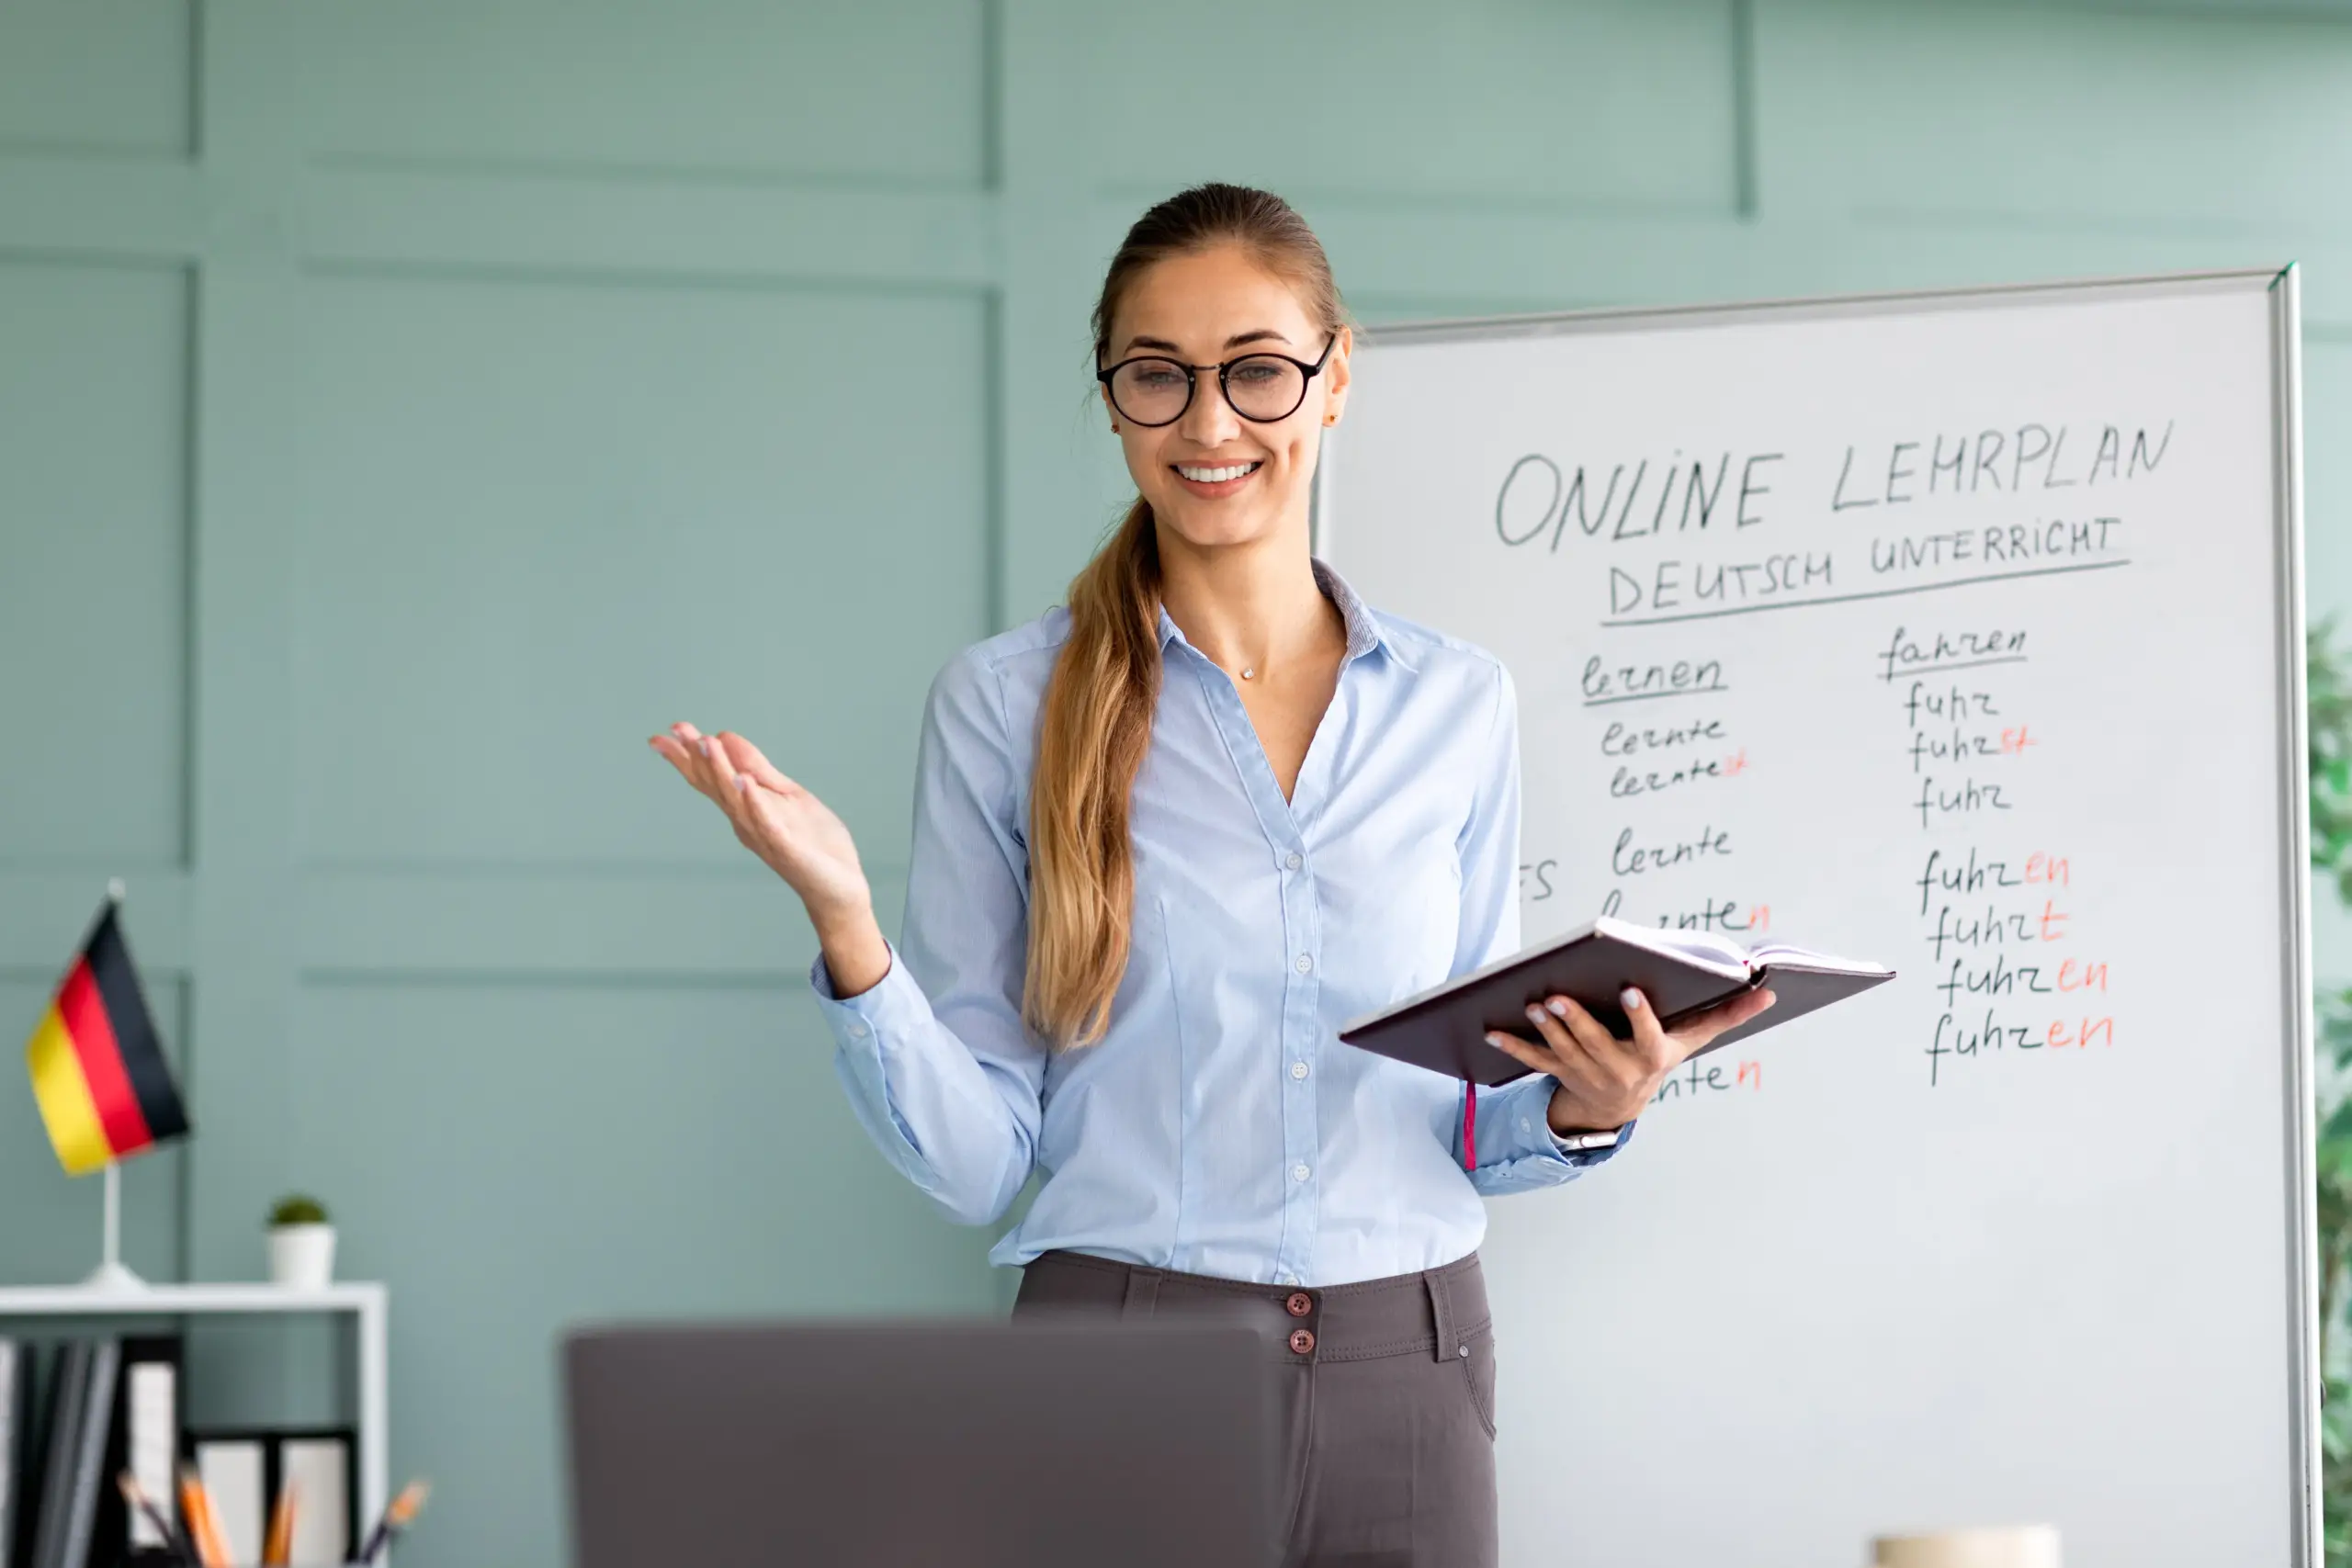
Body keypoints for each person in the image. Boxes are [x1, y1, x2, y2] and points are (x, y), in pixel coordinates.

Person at [650, 182, 1771, 1568]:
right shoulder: (1006, 704)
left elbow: (1464, 1110)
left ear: (1334, 377)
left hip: (1412, 1370)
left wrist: (1587, 1109)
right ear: (1112, 396)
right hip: (1120, 1375)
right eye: (1157, 376)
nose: (1210, 421)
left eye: (1255, 368)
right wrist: (847, 924)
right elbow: (978, 1162)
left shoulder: (1457, 703)